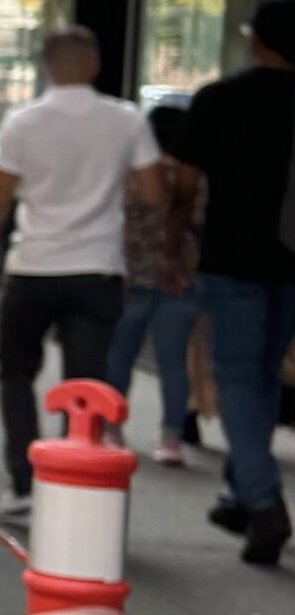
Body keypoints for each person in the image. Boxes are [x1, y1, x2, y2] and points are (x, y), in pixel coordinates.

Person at [0, 26, 165, 526]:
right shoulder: (125, 120)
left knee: (16, 372)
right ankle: (76, 485)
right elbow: (153, 194)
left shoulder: (23, 123)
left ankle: (24, 485)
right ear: (94, 63)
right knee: (85, 384)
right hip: (97, 268)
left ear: (47, 66)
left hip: (34, 266)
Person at [175, 0, 295, 566]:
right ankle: (238, 495)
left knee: (239, 379)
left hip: (232, 260)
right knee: (264, 376)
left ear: (256, 42)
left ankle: (265, 502)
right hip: (291, 265)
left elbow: (186, 182)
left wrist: (178, 242)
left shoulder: (220, 100)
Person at [106, 102, 201, 469]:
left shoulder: (133, 173)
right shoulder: (194, 176)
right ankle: (171, 437)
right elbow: (200, 218)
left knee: (120, 356)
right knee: (174, 362)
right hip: (180, 278)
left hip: (133, 274)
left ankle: (113, 428)